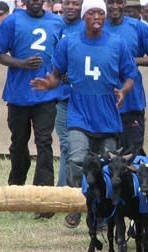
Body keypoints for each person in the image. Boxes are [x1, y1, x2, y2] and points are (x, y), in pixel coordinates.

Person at [30, 0, 137, 227]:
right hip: (79, 113)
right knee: (76, 159)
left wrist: (124, 91)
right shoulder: (69, 43)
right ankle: (78, 204)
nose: (96, 17)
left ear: (105, 16)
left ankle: (103, 213)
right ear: (84, 17)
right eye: (92, 13)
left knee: (107, 168)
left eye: (100, 13)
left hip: (107, 115)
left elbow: (130, 76)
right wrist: (48, 84)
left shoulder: (117, 44)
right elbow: (57, 74)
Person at [0, 0, 64, 219]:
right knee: (19, 143)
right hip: (18, 94)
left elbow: (62, 54)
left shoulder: (56, 22)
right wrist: (21, 63)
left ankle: (45, 202)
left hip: (46, 95)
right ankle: (16, 187)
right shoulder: (12, 20)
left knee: (44, 143)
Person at [105, 0, 148, 157]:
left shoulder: (138, 27)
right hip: (103, 103)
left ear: (124, 3)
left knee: (133, 155)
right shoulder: (97, 26)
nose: (115, 6)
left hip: (131, 102)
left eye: (118, 2)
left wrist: (133, 61)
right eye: (110, 2)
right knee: (108, 156)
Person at [56, 0, 85, 228]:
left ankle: (80, 197)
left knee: (85, 152)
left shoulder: (90, 28)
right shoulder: (54, 26)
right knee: (67, 146)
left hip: (86, 101)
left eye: (76, 3)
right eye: (68, 2)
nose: (71, 7)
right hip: (62, 99)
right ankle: (63, 195)